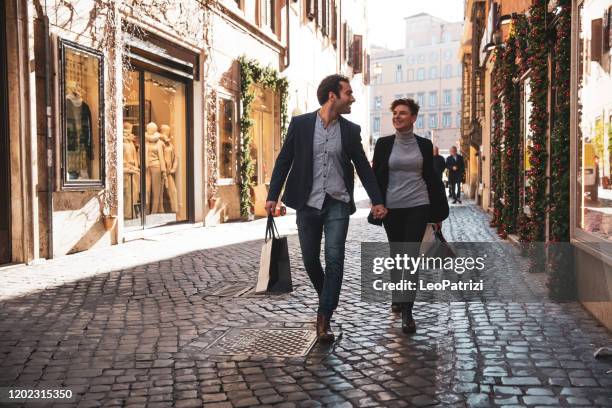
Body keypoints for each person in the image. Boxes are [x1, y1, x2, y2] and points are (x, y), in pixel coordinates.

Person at [265, 74, 387, 342]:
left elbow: (363, 167)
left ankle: (324, 317)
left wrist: (377, 200)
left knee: (334, 260)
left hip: (337, 203)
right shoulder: (301, 124)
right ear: (333, 96)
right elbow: (284, 160)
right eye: (348, 93)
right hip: (307, 203)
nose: (352, 98)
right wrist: (273, 195)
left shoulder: (350, 131)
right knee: (309, 260)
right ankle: (328, 298)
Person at [372, 98, 448, 334]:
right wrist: (378, 203)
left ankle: (408, 311)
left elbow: (431, 178)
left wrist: (437, 213)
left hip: (418, 204)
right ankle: (397, 295)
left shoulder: (424, 145)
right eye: (394, 113)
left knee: (410, 257)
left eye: (402, 113)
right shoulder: (383, 144)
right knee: (397, 254)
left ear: (413, 117)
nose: (397, 116)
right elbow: (376, 177)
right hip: (392, 208)